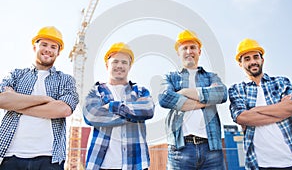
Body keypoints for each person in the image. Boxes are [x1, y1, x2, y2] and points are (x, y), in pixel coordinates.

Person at [0, 26, 79, 170]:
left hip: (49, 158)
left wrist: (16, 103)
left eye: (53, 47)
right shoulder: (16, 74)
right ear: (34, 47)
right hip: (11, 156)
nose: (48, 49)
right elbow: (2, 100)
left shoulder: (66, 80)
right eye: (44, 44)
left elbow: (64, 109)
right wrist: (44, 99)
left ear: (58, 52)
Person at [158, 30, 227, 170]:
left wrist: (183, 93)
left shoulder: (211, 77)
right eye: (185, 48)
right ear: (178, 52)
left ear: (199, 51)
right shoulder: (170, 77)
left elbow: (222, 94)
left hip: (211, 148)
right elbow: (164, 98)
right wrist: (207, 100)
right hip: (180, 149)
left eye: (193, 47)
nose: (189, 51)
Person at [229, 38, 292, 170]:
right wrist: (281, 111)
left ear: (262, 59)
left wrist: (254, 110)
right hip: (260, 164)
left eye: (256, 57)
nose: (252, 62)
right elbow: (241, 117)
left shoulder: (281, 82)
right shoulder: (236, 89)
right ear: (240, 64)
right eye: (247, 59)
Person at [83, 42, 155, 170]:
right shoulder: (96, 91)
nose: (119, 66)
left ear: (129, 66)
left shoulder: (140, 91)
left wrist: (111, 106)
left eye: (124, 62)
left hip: (136, 164)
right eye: (115, 62)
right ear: (107, 65)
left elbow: (148, 109)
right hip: (101, 164)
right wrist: (133, 115)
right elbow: (91, 116)